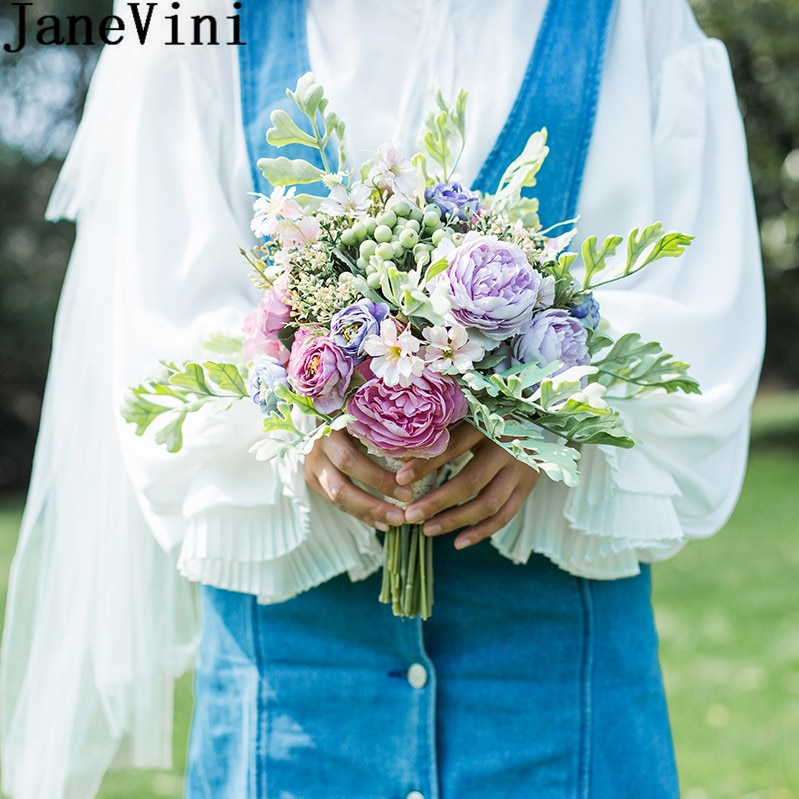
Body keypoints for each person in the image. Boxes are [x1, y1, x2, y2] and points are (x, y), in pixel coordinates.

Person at [1, 0, 765, 797]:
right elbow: (156, 313)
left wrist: (551, 421)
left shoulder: (635, 21)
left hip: (560, 700)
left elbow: (699, 299)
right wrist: (298, 421)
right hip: (290, 711)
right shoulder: (200, 29)